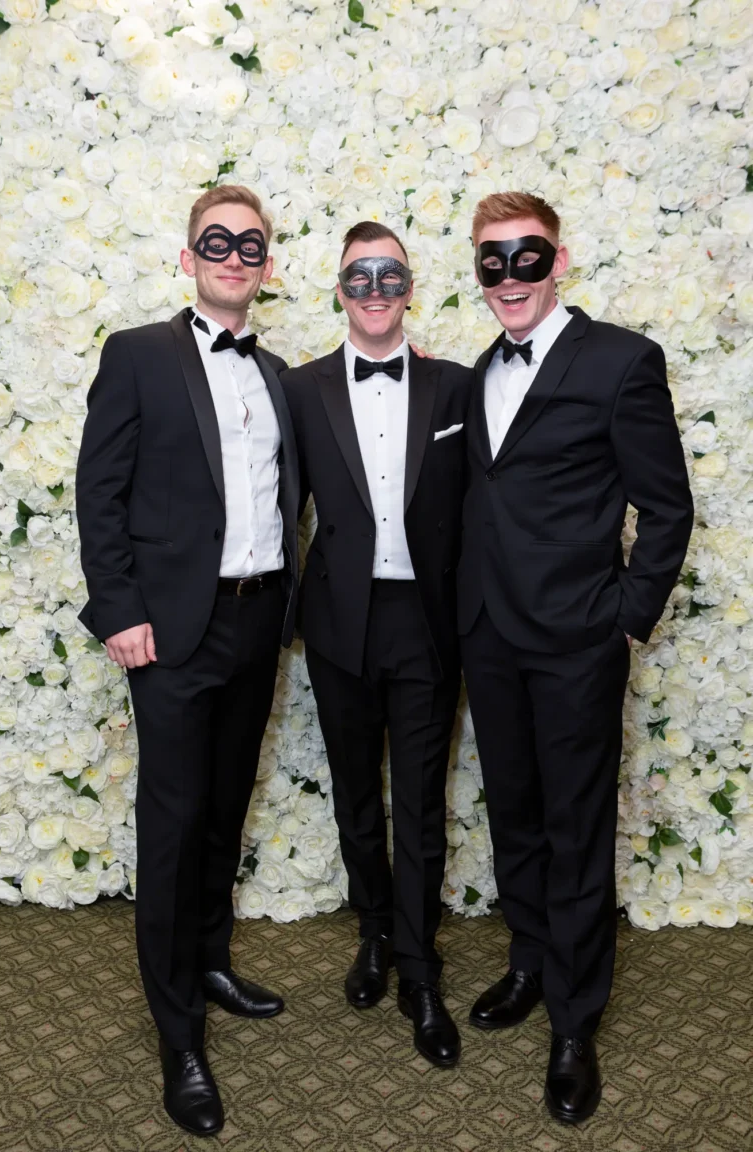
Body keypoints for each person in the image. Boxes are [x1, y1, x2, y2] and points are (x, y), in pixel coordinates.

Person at [458, 192, 693, 1123]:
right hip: (490, 636)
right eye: (491, 260)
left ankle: (573, 1021)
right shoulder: (479, 370)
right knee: (514, 814)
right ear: (477, 272)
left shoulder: (621, 360)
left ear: (560, 261)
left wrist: (624, 619)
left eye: (526, 256)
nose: (509, 276)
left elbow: (666, 508)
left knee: (577, 827)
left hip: (576, 641)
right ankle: (526, 962)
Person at [75, 186, 299, 1138]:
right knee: (170, 825)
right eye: (218, 241)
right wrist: (119, 610)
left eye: (250, 245)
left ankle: (210, 958)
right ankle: (180, 1034)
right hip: (168, 630)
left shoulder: (279, 371)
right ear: (188, 256)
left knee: (222, 807)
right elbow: (100, 490)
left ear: (268, 265)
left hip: (257, 621)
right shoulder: (137, 354)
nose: (234, 256)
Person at [280, 222, 472, 1067]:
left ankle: (421, 971)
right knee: (357, 794)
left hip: (428, 624)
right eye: (359, 275)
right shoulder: (299, 386)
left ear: (409, 285)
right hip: (339, 623)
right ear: (338, 289)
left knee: (420, 804)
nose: (375, 288)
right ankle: (373, 932)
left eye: (389, 273)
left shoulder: (456, 387)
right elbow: (273, 503)